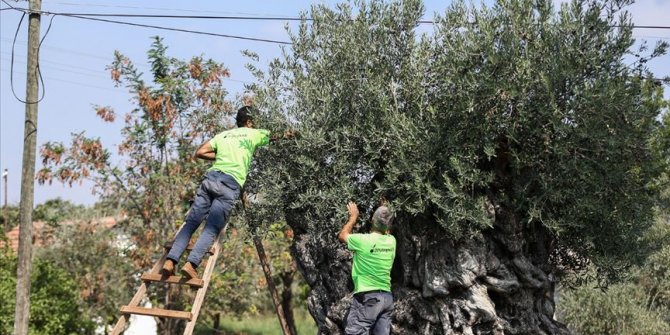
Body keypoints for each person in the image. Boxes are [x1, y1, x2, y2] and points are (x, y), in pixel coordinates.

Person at [162, 106, 271, 279]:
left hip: (210, 179)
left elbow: (200, 152)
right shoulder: (254, 133)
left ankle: (170, 261)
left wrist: (221, 157)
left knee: (191, 222)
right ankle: (191, 264)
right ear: (249, 122)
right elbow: (280, 135)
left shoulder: (224, 135)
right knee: (211, 228)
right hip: (229, 184)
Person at [338, 201, 396, 335]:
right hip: (386, 299)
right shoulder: (391, 241)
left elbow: (342, 235)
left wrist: (353, 218)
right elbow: (386, 229)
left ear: (372, 221)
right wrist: (385, 209)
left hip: (369, 297)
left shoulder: (363, 241)